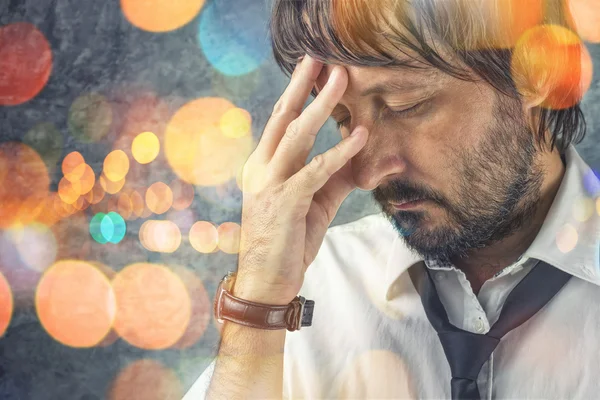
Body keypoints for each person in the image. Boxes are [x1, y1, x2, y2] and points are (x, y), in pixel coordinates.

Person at [184, 0, 600, 398]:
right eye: (342, 120)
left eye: (406, 106)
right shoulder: (308, 286)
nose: (367, 174)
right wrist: (259, 303)